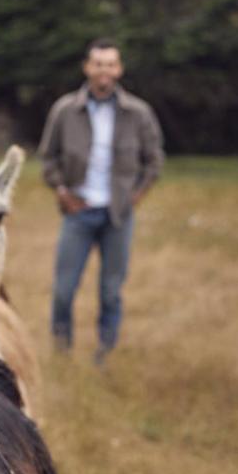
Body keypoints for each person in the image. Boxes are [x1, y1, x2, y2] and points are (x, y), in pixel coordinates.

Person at [39, 38, 164, 365]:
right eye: (98, 64)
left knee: (111, 291)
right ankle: (61, 352)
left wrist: (135, 197)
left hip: (118, 215)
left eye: (110, 64)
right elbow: (47, 158)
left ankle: (104, 355)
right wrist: (63, 192)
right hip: (78, 212)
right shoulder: (65, 110)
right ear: (87, 68)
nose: (104, 71)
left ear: (119, 69)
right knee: (64, 290)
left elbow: (154, 161)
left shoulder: (138, 113)